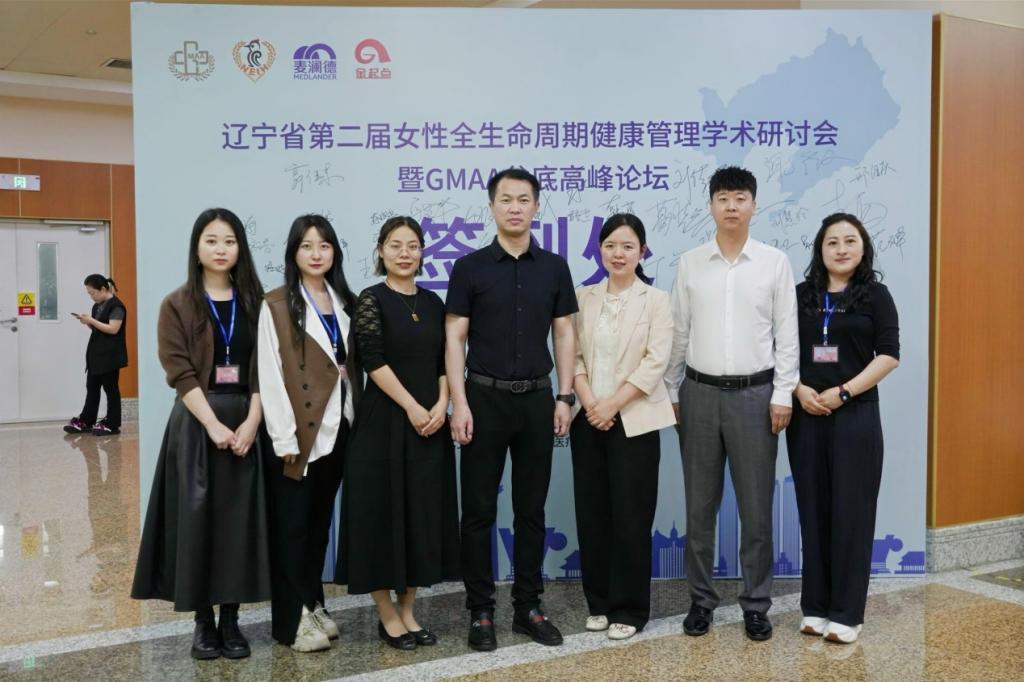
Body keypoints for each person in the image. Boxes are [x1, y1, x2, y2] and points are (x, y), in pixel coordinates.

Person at [664, 166, 799, 642]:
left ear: (754, 206)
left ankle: (756, 605)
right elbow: (679, 332)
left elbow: (787, 334)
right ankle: (701, 601)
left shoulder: (773, 262)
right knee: (699, 508)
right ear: (710, 206)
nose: (731, 206)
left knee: (756, 510)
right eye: (723, 198)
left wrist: (782, 393)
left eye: (740, 198)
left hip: (756, 397)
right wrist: (671, 391)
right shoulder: (690, 263)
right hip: (698, 394)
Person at [446, 167, 577, 651]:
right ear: (492, 206)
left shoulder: (554, 267)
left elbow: (564, 332)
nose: (515, 207)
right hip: (482, 399)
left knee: (531, 510)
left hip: (537, 400)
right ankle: (480, 611)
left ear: (536, 206)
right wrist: (459, 403)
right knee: (478, 511)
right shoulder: (470, 267)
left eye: (524, 199)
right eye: (506, 199)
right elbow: (454, 337)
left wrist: (564, 395)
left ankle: (528, 606)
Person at [131, 208, 271, 661]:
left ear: (240, 248)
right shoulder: (177, 303)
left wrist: (252, 422)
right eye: (211, 240)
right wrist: (212, 424)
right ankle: (203, 621)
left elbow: (267, 369)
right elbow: (179, 372)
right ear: (196, 248)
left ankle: (231, 619)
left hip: (246, 421)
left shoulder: (257, 302)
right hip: (197, 423)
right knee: (197, 522)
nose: (220, 249)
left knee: (238, 524)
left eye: (229, 241)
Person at [336, 217, 460, 650]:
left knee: (420, 516)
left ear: (423, 252)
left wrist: (442, 403)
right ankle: (387, 614)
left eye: (412, 245)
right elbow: (373, 361)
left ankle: (408, 610)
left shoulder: (434, 302)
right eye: (395, 245)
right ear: (381, 251)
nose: (404, 253)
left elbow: (446, 361)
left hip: (429, 424)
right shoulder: (371, 300)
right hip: (383, 423)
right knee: (378, 516)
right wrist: (412, 406)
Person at [787, 213, 899, 644]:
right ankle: (815, 607)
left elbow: (888, 355)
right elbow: (780, 349)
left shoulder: (876, 295)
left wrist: (845, 392)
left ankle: (847, 614)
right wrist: (798, 390)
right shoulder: (801, 295)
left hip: (855, 416)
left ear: (863, 247)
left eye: (850, 240)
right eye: (832, 242)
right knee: (813, 511)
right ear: (820, 249)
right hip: (806, 413)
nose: (841, 249)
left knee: (852, 513)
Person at [258, 214, 362, 653]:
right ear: (293, 253)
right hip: (298, 435)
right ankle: (291, 621)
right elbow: (270, 374)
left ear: (335, 252)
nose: (316, 254)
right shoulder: (276, 304)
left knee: (319, 526)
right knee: (293, 528)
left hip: (339, 428)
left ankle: (313, 602)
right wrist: (283, 438)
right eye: (306, 246)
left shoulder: (347, 302)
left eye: (324, 245)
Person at [570, 214, 675, 641]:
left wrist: (612, 404)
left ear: (642, 252)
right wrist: (591, 403)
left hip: (635, 421)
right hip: (588, 418)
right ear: (600, 250)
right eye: (610, 245)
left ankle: (629, 609)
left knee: (632, 516)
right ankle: (598, 603)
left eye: (628, 246)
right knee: (592, 515)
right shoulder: (583, 297)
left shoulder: (657, 300)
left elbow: (656, 361)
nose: (618, 254)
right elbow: (572, 356)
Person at [63, 274, 128, 436]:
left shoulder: (117, 306)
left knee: (111, 389)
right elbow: (99, 328)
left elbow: (113, 329)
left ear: (103, 289)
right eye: (89, 294)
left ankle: (112, 423)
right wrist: (88, 322)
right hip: (96, 355)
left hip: (110, 356)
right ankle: (86, 420)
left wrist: (91, 321)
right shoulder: (97, 306)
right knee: (92, 388)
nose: (91, 297)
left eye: (93, 293)